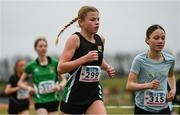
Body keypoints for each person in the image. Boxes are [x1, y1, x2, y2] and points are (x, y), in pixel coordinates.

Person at [56, 6, 116, 114]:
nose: (97, 22)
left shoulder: (100, 39)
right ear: (81, 22)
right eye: (92, 19)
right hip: (74, 95)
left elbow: (98, 59)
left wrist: (107, 67)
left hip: (93, 94)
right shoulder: (75, 39)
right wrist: (84, 59)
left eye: (98, 19)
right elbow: (60, 68)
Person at [126, 24, 176, 114]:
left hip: (164, 108)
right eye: (156, 38)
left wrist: (173, 90)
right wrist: (147, 85)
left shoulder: (170, 60)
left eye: (163, 38)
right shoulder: (139, 60)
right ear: (147, 40)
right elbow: (129, 85)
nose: (160, 41)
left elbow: (171, 76)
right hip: (142, 109)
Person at [18, 37, 66, 115]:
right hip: (39, 100)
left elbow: (64, 79)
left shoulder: (55, 63)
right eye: (40, 46)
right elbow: (20, 82)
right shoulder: (31, 65)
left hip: (53, 98)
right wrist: (28, 88)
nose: (43, 48)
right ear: (35, 49)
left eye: (45, 46)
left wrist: (59, 86)